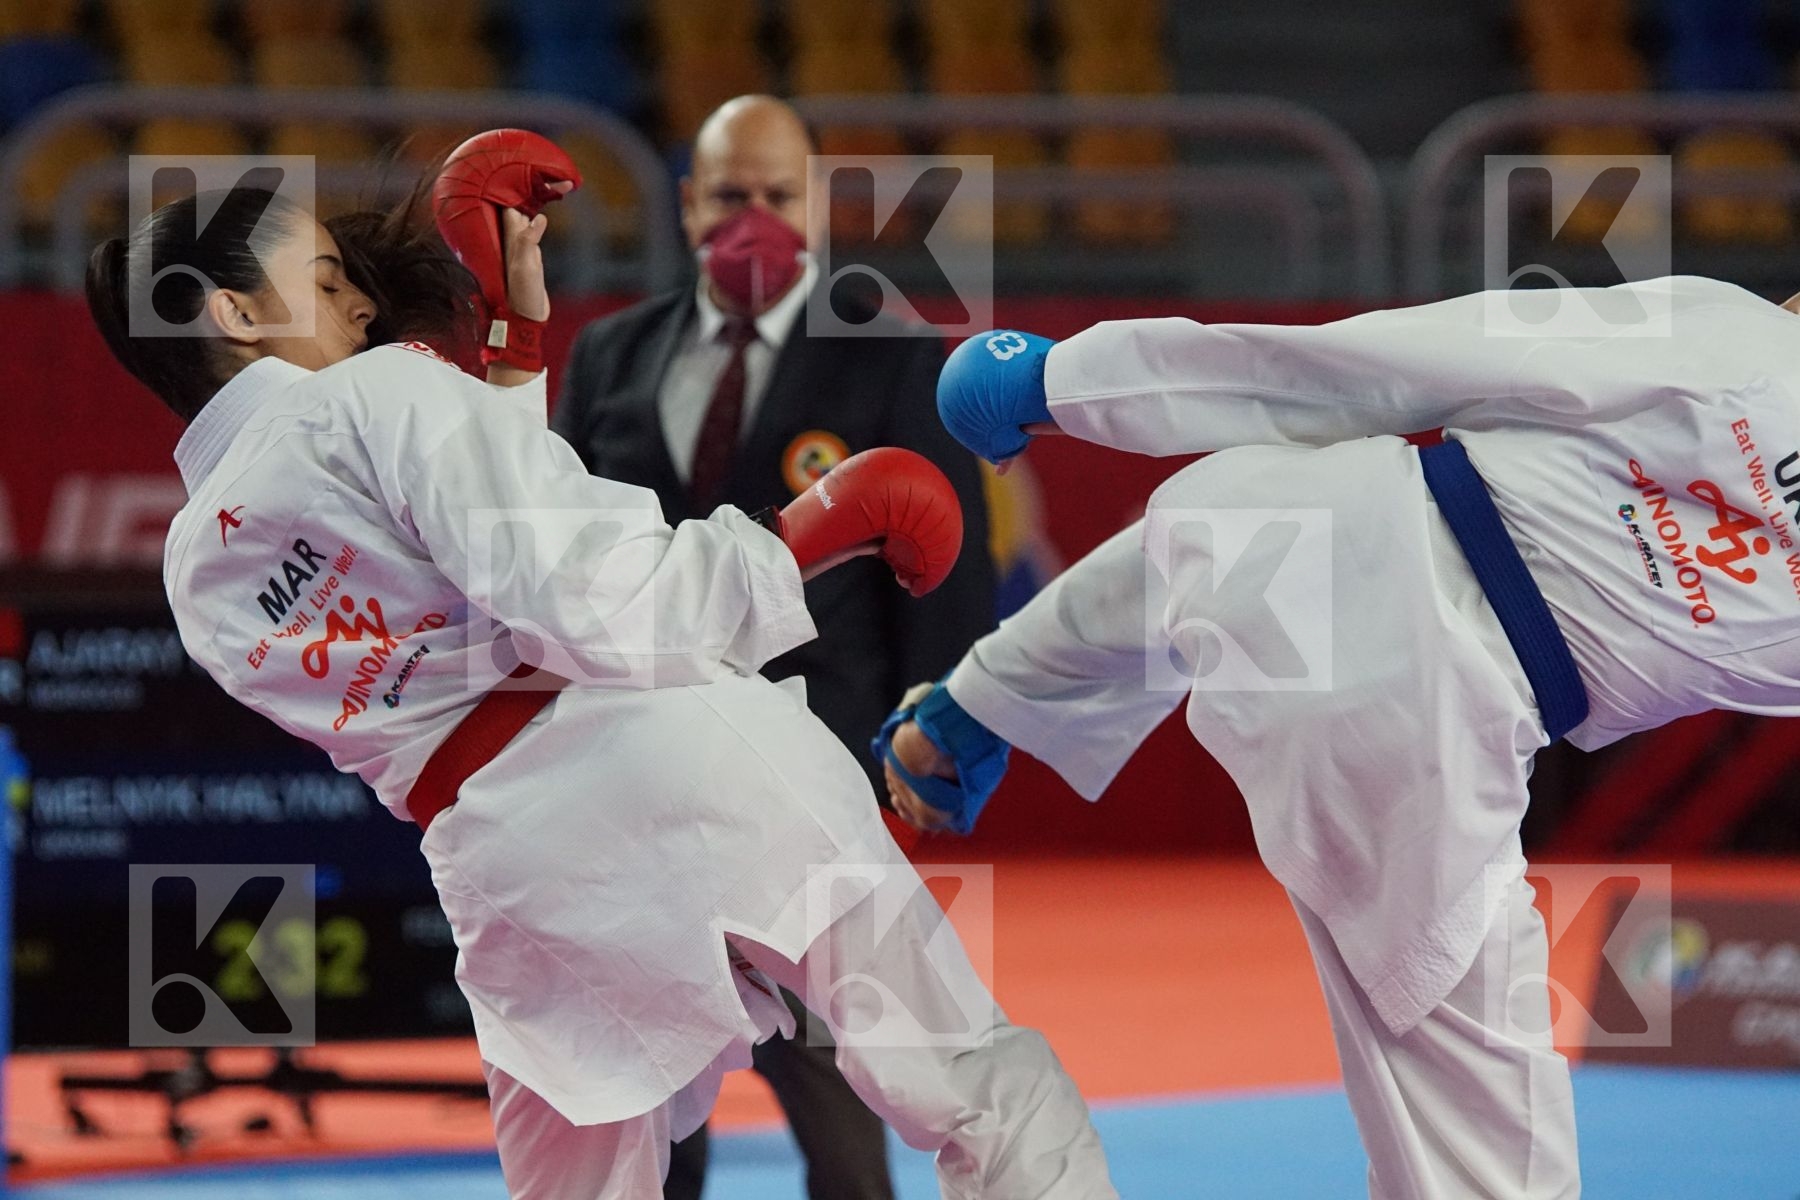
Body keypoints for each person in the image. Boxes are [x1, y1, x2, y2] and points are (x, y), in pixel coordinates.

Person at [83, 141, 1117, 1198]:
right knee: (962, 1075)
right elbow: (577, 587)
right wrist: (797, 539)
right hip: (682, 769)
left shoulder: (196, 561)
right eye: (324, 279)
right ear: (234, 314)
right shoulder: (377, 396)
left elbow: (474, 555)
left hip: (515, 867)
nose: (356, 301)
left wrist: (512, 342)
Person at [882, 283, 1800, 1199]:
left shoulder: (1736, 332)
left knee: (1234, 522)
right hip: (1416, 748)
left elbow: (1388, 364)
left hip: (1314, 539)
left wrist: (1066, 380)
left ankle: (969, 711)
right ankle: (978, 707)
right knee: (1483, 1160)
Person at [555, 96, 994, 1200]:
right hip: (631, 795)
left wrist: (931, 749)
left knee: (840, 1116)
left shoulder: (894, 358)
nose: (755, 219)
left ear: (819, 207)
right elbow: (550, 573)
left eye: (779, 196)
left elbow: (946, 591)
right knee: (648, 1122)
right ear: (691, 202)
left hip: (809, 799)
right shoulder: (611, 354)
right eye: (732, 195)